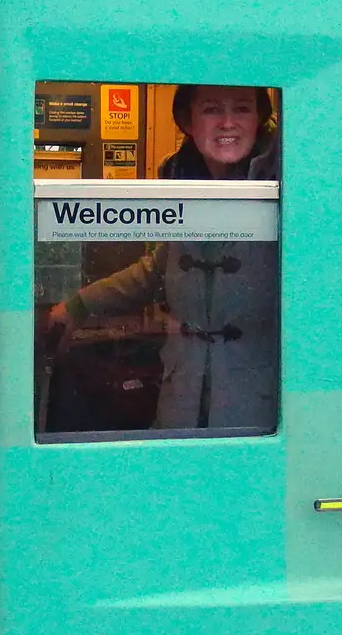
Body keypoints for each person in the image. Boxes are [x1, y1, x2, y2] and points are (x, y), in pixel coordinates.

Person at [48, 85, 279, 431]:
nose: (228, 123)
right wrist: (77, 307)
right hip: (182, 408)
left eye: (243, 109)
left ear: (260, 118)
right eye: (212, 109)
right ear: (186, 120)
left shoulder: (287, 182)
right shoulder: (177, 183)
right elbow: (155, 269)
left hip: (257, 417)